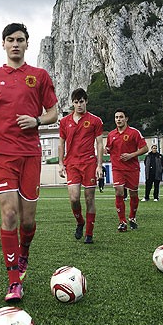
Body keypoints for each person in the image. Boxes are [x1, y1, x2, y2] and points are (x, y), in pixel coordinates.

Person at [0, 23, 58, 302]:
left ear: (27, 44)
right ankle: (14, 281)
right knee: (9, 214)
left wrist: (36, 120)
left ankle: (24, 253)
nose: (15, 44)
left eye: (20, 40)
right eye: (10, 40)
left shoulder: (39, 76)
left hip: (30, 154)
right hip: (1, 152)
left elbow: (53, 114)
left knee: (27, 220)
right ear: (3, 44)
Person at [58, 88, 104, 244]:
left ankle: (89, 234)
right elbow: (61, 143)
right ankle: (80, 222)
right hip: (71, 164)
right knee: (74, 198)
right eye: (76, 102)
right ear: (72, 103)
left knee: (89, 199)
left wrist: (99, 165)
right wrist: (60, 163)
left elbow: (99, 143)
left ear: (86, 102)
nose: (79, 105)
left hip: (89, 163)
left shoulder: (95, 120)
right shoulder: (64, 122)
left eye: (82, 101)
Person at [105, 110, 148, 232]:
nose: (118, 119)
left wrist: (131, 155)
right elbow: (108, 148)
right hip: (117, 168)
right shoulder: (111, 135)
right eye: (116, 117)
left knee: (133, 194)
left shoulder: (134, 133)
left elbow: (145, 148)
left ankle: (132, 218)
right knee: (119, 192)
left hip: (132, 168)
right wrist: (106, 150)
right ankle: (122, 221)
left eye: (121, 117)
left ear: (126, 119)